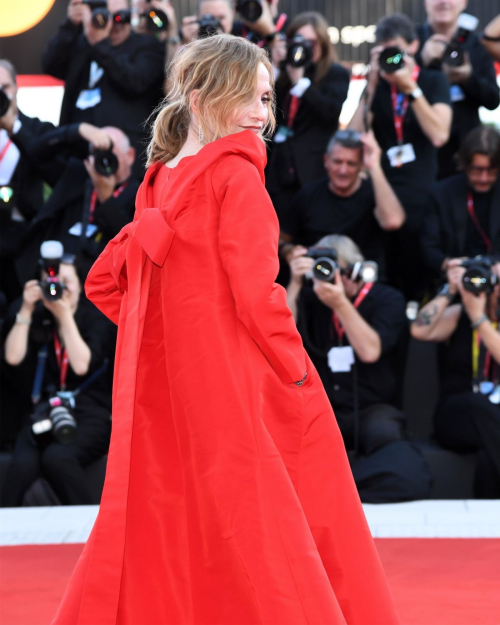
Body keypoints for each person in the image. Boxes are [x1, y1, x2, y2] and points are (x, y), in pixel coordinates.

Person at [52, 34, 399, 625]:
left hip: (161, 392)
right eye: (257, 98)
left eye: (269, 100)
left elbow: (111, 286)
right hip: (224, 387)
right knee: (260, 525)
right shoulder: (235, 177)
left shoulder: (158, 179)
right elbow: (255, 293)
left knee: (166, 517)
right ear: (208, 92)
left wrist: (167, 335)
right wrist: (294, 369)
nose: (265, 116)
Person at [286, 235, 431, 503]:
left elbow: (370, 351)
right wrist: (295, 284)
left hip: (371, 408)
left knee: (397, 454)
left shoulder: (387, 299)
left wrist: (340, 304)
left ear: (353, 269)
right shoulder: (311, 296)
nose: (325, 274)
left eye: (332, 267)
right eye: (319, 267)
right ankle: (326, 488)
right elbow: (280, 337)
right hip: (322, 406)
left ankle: (339, 489)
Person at [349, 13, 452, 301]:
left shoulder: (433, 81)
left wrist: (411, 88)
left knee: (419, 281)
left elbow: (439, 134)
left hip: (422, 198)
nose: (392, 60)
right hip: (381, 195)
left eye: (397, 52)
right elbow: (352, 138)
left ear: (414, 46)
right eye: (385, 53)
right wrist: (368, 87)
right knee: (387, 279)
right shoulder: (376, 86)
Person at [1, 251, 112, 506]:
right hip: (46, 411)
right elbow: (13, 358)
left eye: (66, 281)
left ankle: (86, 530)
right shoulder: (38, 315)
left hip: (89, 412)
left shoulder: (94, 317)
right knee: (22, 464)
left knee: (58, 458)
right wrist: (26, 309)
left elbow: (81, 365)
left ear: (80, 285)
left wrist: (64, 317)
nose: (58, 288)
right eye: (50, 282)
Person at [42, 0, 165, 177]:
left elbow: (136, 81)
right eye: (105, 17)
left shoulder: (146, 46)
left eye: (120, 17)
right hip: (79, 158)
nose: (114, 24)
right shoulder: (83, 43)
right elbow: (51, 65)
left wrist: (100, 45)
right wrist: (70, 24)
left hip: (127, 161)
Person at [411, 260, 500, 498]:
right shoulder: (461, 313)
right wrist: (450, 289)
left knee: (487, 453)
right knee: (477, 404)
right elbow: (420, 330)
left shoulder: (475, 316)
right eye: (494, 280)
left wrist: (478, 319)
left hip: (491, 424)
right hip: (457, 415)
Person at [15, 124, 139, 287]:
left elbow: (135, 244)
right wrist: (77, 130)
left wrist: (107, 199)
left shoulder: (140, 194)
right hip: (52, 277)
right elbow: (35, 154)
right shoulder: (76, 176)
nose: (105, 158)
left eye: (110, 150)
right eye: (99, 151)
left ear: (129, 156)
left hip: (102, 289)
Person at [280, 128, 406, 279]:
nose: (343, 170)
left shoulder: (376, 195)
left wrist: (374, 167)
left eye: (351, 163)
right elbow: (281, 238)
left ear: (361, 165)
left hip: (363, 285)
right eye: (337, 161)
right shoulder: (308, 195)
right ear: (326, 160)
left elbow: (393, 221)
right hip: (316, 282)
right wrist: (289, 251)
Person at [266, 12, 350, 222]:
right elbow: (266, 112)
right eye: (299, 41)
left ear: (323, 44)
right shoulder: (283, 74)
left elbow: (330, 111)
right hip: (278, 172)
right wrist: (274, 69)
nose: (304, 47)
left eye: (311, 42)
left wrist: (302, 84)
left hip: (313, 172)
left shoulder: (335, 73)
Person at [416, 0, 500, 179]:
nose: (443, 2)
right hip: (420, 152)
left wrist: (467, 78)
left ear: (464, 3)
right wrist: (420, 62)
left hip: (466, 158)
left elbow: (493, 100)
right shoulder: (412, 40)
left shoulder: (476, 44)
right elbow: (390, 69)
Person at [0, 60, 58, 305]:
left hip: (26, 244)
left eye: (5, 87)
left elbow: (55, 173)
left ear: (16, 88)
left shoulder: (37, 129)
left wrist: (14, 128)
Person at [422, 125, 500, 276]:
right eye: (477, 170)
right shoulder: (440, 194)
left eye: (491, 170)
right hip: (456, 276)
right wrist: (448, 264)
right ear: (465, 165)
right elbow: (429, 247)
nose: (484, 178)